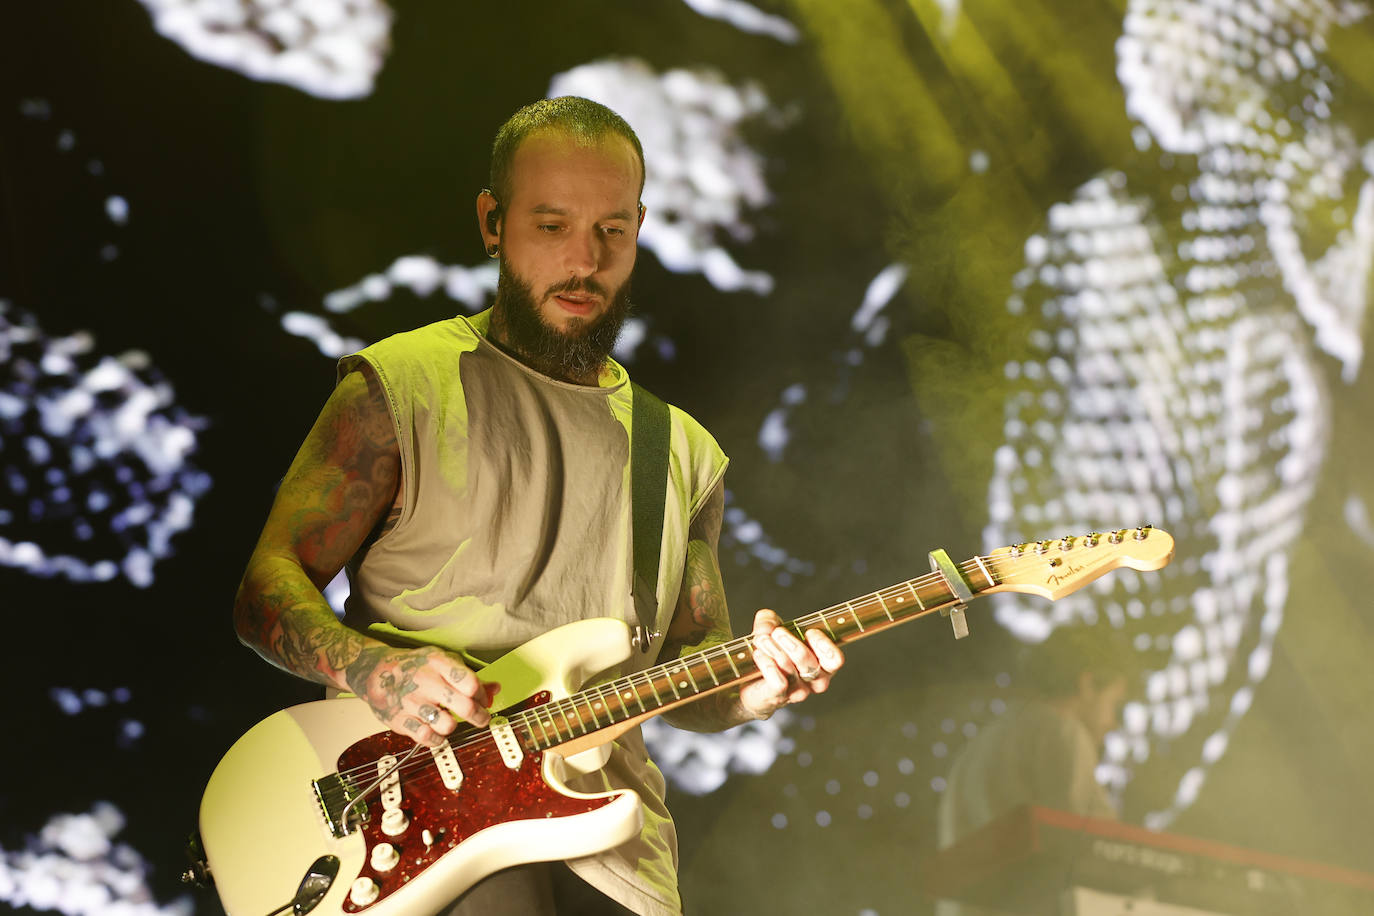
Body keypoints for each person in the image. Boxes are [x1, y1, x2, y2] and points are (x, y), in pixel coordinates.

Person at [231, 96, 844, 916]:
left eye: (612, 231)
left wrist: (759, 687)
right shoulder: (400, 385)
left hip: (617, 854)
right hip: (418, 823)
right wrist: (374, 669)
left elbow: (689, 675)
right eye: (552, 226)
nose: (584, 262)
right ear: (493, 220)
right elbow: (266, 588)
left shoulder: (683, 451)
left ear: (640, 227)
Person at [934, 625, 1136, 916]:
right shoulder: (1060, 729)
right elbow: (1098, 850)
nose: (1113, 723)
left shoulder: (975, 749)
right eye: (1114, 704)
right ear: (1087, 685)